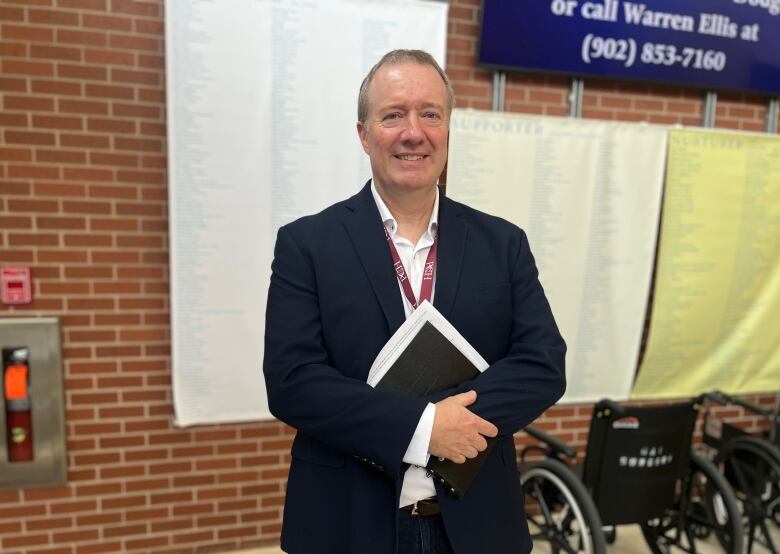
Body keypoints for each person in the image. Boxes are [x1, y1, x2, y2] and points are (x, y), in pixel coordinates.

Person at [263, 49, 566, 554]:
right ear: (364, 134)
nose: (413, 132)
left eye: (430, 113)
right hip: (346, 522)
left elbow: (542, 364)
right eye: (393, 115)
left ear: (447, 129)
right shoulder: (307, 244)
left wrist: (454, 427)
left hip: (479, 524)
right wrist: (424, 428)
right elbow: (293, 382)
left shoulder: (502, 243)